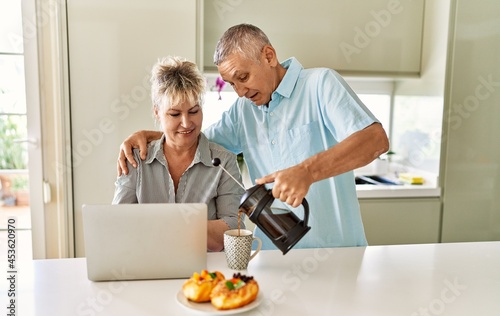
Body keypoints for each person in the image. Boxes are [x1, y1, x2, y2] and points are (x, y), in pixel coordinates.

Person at [117, 24, 389, 250]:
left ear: (269, 56)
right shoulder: (243, 111)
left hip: (336, 253)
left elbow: (375, 141)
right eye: (232, 84)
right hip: (272, 259)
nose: (240, 91)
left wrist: (306, 171)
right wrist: (153, 133)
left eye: (243, 77)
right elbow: (196, 140)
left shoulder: (320, 85)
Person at [112, 56, 245, 252]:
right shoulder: (135, 159)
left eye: (194, 111)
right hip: (146, 268)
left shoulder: (223, 161)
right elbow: (117, 226)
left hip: (205, 275)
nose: (186, 123)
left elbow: (234, 231)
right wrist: (195, 230)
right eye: (174, 114)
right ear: (157, 112)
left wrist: (157, 229)